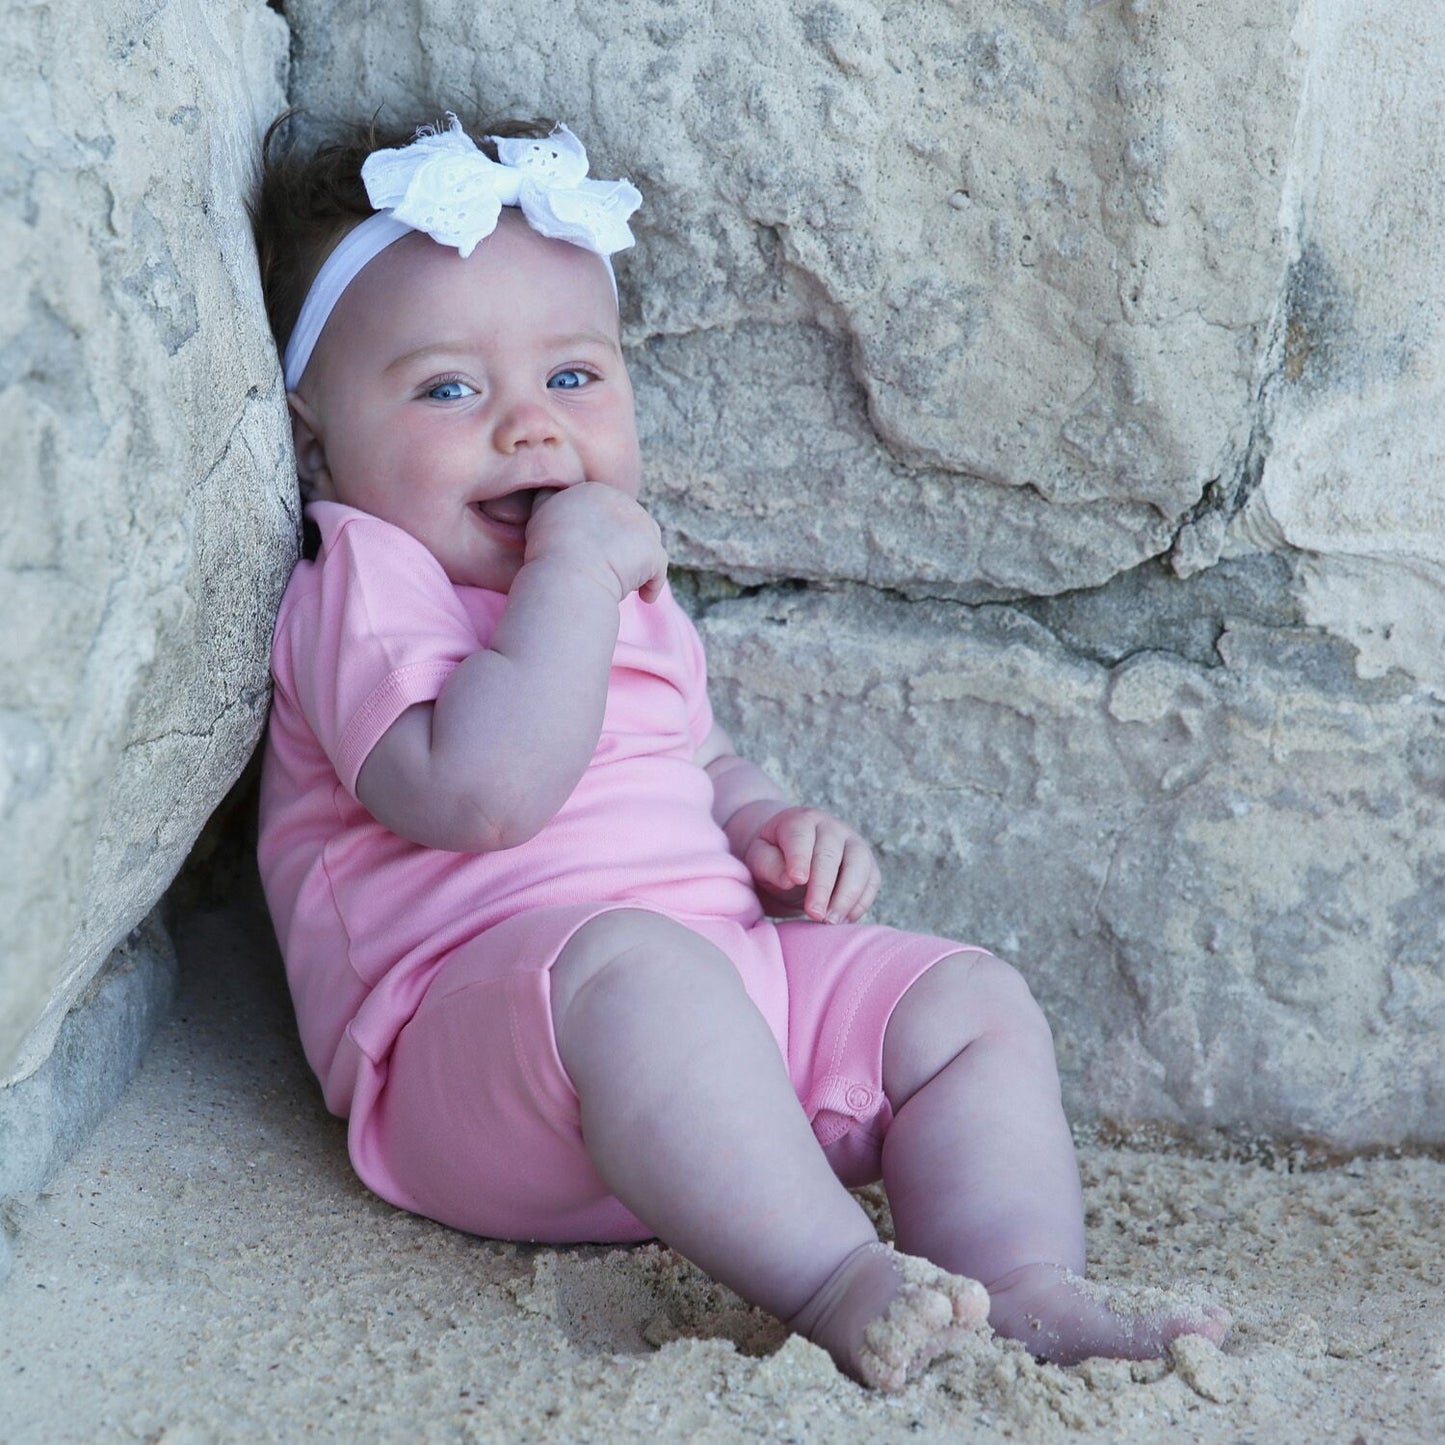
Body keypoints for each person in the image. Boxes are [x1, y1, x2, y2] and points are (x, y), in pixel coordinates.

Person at [251, 110, 1229, 1390]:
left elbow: (691, 760)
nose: (530, 428)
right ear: (318, 436)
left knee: (967, 998)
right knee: (634, 969)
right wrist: (574, 579)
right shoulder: (369, 584)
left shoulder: (613, 589)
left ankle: (1018, 1277)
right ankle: (831, 1276)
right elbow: (481, 792)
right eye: (448, 387)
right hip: (479, 1065)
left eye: (572, 377)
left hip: (712, 1031)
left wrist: (767, 823)